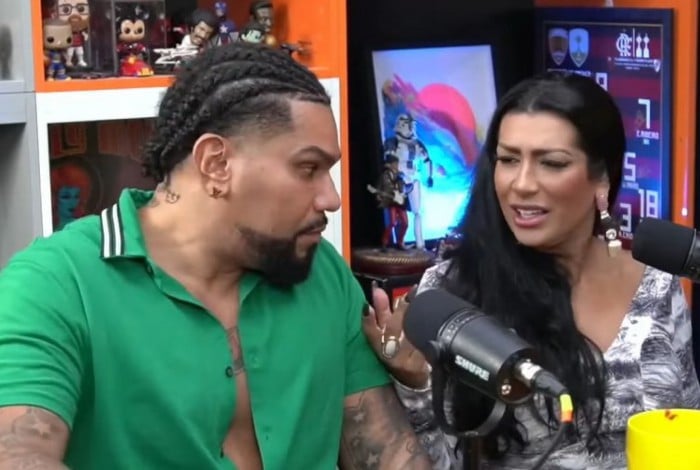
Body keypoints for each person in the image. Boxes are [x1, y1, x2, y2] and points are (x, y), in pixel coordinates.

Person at [0, 42, 432, 470]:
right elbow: (16, 454)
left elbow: (390, 455)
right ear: (216, 163)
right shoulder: (55, 283)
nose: (332, 198)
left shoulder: (323, 273)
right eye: (308, 168)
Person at [362, 72, 700, 469]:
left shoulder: (657, 286)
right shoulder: (451, 290)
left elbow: (687, 433)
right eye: (508, 160)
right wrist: (415, 386)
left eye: (551, 163)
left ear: (602, 178)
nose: (521, 184)